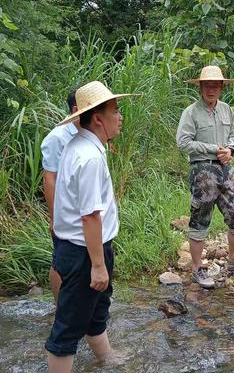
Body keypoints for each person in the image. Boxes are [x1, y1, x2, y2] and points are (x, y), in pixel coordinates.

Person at [45, 81, 136, 373]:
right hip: (84, 251)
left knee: (96, 309)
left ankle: (105, 356)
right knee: (68, 327)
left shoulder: (82, 145)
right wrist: (98, 264)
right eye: (115, 111)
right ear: (98, 118)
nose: (120, 117)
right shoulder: (88, 156)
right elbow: (90, 217)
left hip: (84, 247)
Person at [176, 65, 234, 289]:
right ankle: (197, 268)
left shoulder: (227, 110)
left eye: (215, 85)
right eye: (206, 85)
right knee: (200, 218)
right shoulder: (191, 112)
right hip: (202, 170)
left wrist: (230, 150)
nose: (210, 89)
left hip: (226, 170)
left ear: (222, 88)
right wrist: (213, 148)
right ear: (200, 87)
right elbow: (183, 143)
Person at [41, 90, 78, 304]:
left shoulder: (86, 133)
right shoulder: (57, 138)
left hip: (82, 210)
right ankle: (59, 306)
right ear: (76, 110)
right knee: (60, 260)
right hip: (65, 210)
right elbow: (50, 179)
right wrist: (54, 217)